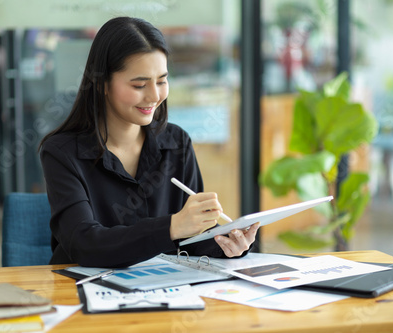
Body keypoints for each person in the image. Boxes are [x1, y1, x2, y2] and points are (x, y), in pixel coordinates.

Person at [39, 17, 259, 268]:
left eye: (162, 81)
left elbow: (190, 239)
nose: (155, 96)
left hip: (162, 289)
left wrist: (227, 242)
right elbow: (83, 244)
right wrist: (171, 226)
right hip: (81, 294)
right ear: (102, 85)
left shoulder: (177, 143)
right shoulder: (62, 153)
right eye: (139, 84)